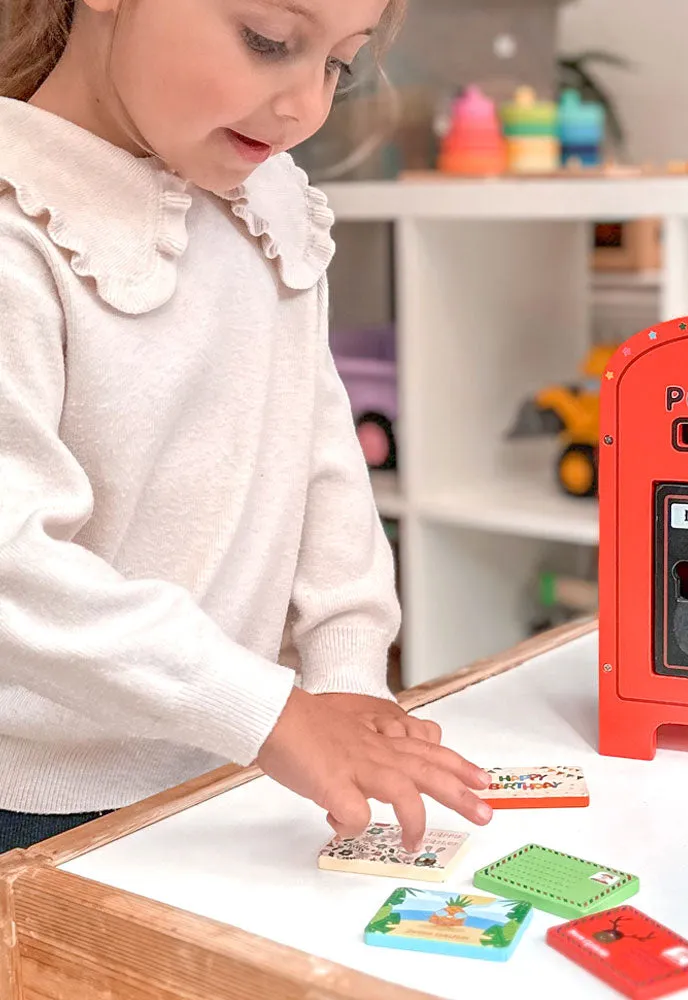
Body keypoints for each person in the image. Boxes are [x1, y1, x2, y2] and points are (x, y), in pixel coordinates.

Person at [0, 0, 493, 855]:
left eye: (339, 64)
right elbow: (13, 562)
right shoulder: (19, 230)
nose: (306, 106)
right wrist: (270, 713)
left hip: (235, 766)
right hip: (44, 803)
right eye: (268, 41)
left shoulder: (269, 203)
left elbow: (320, 454)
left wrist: (346, 672)